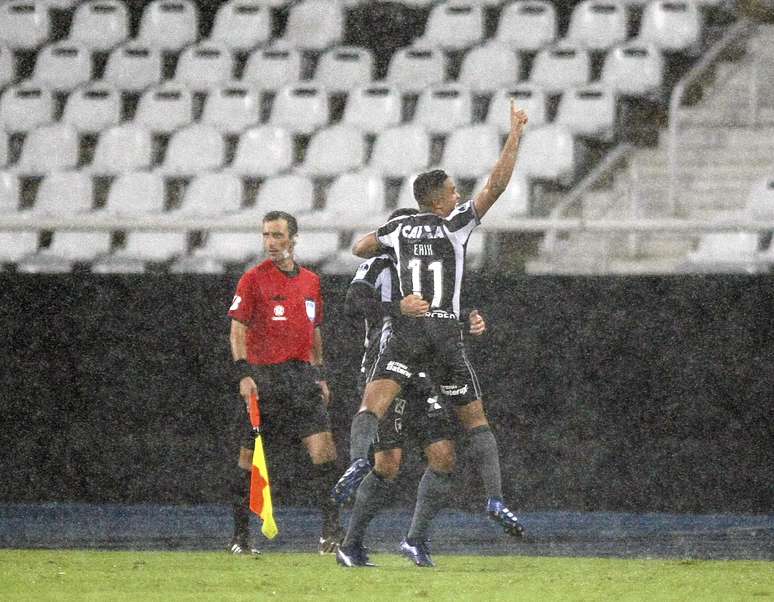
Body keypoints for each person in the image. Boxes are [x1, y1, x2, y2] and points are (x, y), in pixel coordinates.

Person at [334, 101, 528, 565]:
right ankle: (355, 540)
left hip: (415, 346)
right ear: (440, 200)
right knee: (419, 449)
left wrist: (464, 314)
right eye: (454, 192)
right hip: (429, 339)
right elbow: (496, 186)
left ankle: (412, 535)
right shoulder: (454, 224)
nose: (459, 196)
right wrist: (515, 135)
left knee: (441, 456)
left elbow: (361, 244)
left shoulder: (396, 231)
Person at [227, 210, 342, 555]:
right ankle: (240, 538)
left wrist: (319, 373)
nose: (271, 243)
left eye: (277, 236)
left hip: (301, 377)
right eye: (266, 236)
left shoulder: (310, 281)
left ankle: (330, 534)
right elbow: (237, 330)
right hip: (263, 379)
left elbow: (315, 330)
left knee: (324, 453)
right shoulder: (252, 279)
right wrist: (244, 373)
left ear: (294, 238)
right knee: (248, 459)